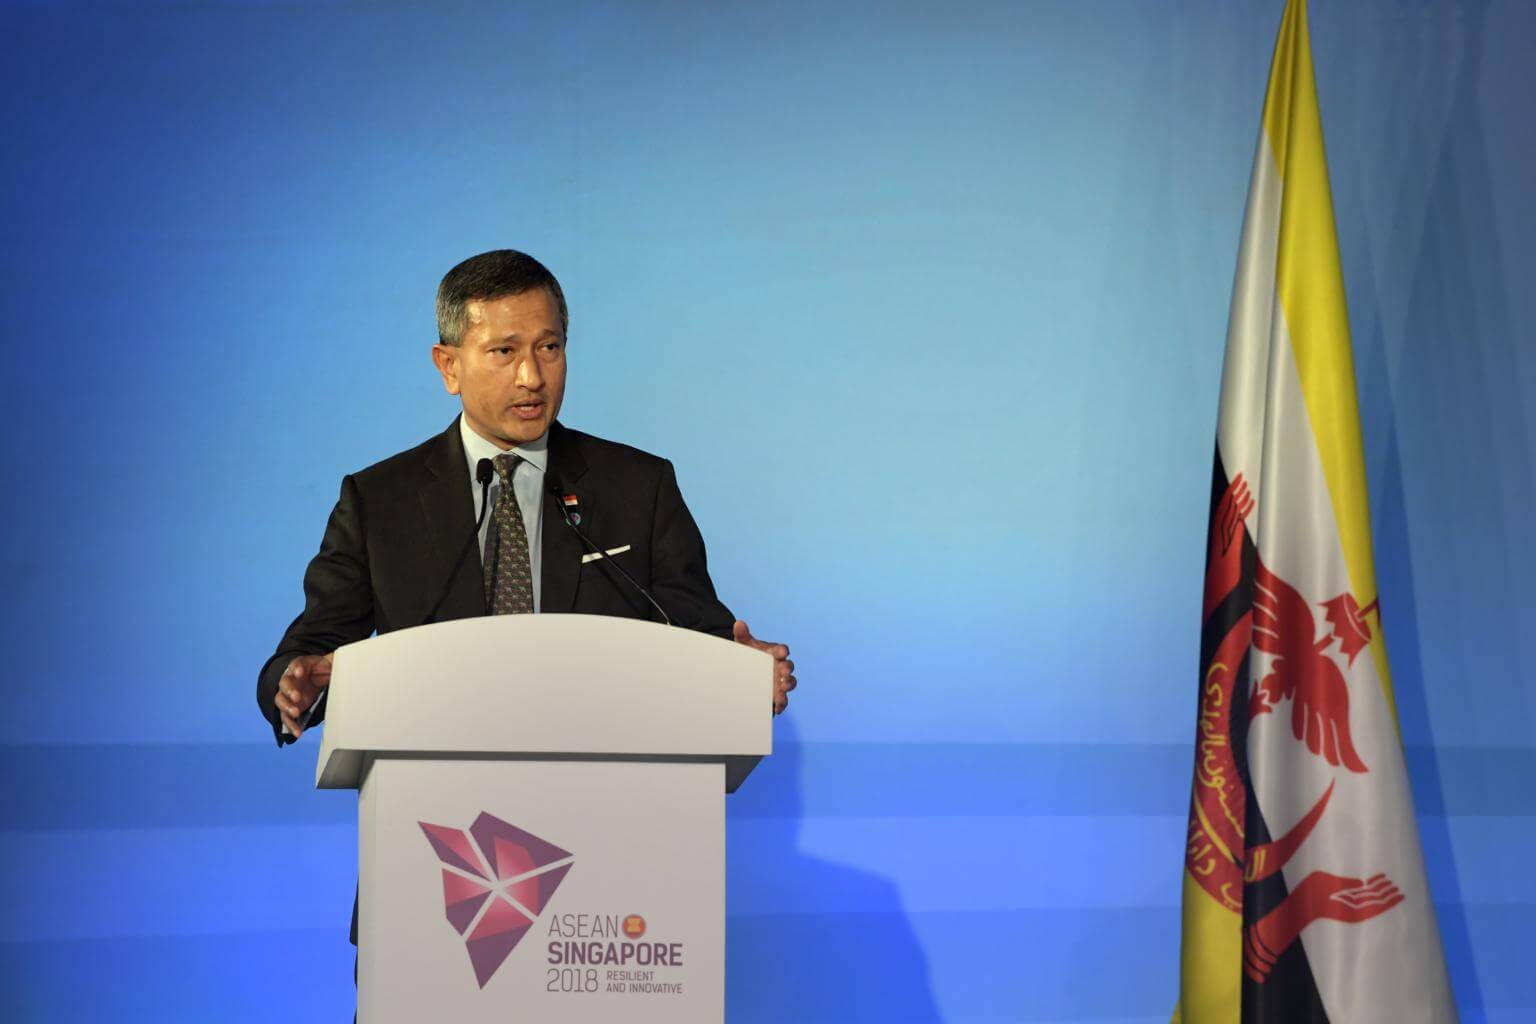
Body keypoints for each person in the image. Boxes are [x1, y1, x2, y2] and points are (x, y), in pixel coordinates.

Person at [257, 247, 796, 746]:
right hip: (437, 785)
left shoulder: (639, 487)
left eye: (549, 348)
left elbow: (699, 636)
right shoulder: (379, 501)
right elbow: (309, 653)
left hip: (607, 773)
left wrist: (742, 672)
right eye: (504, 351)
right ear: (449, 366)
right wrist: (296, 684)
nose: (532, 376)